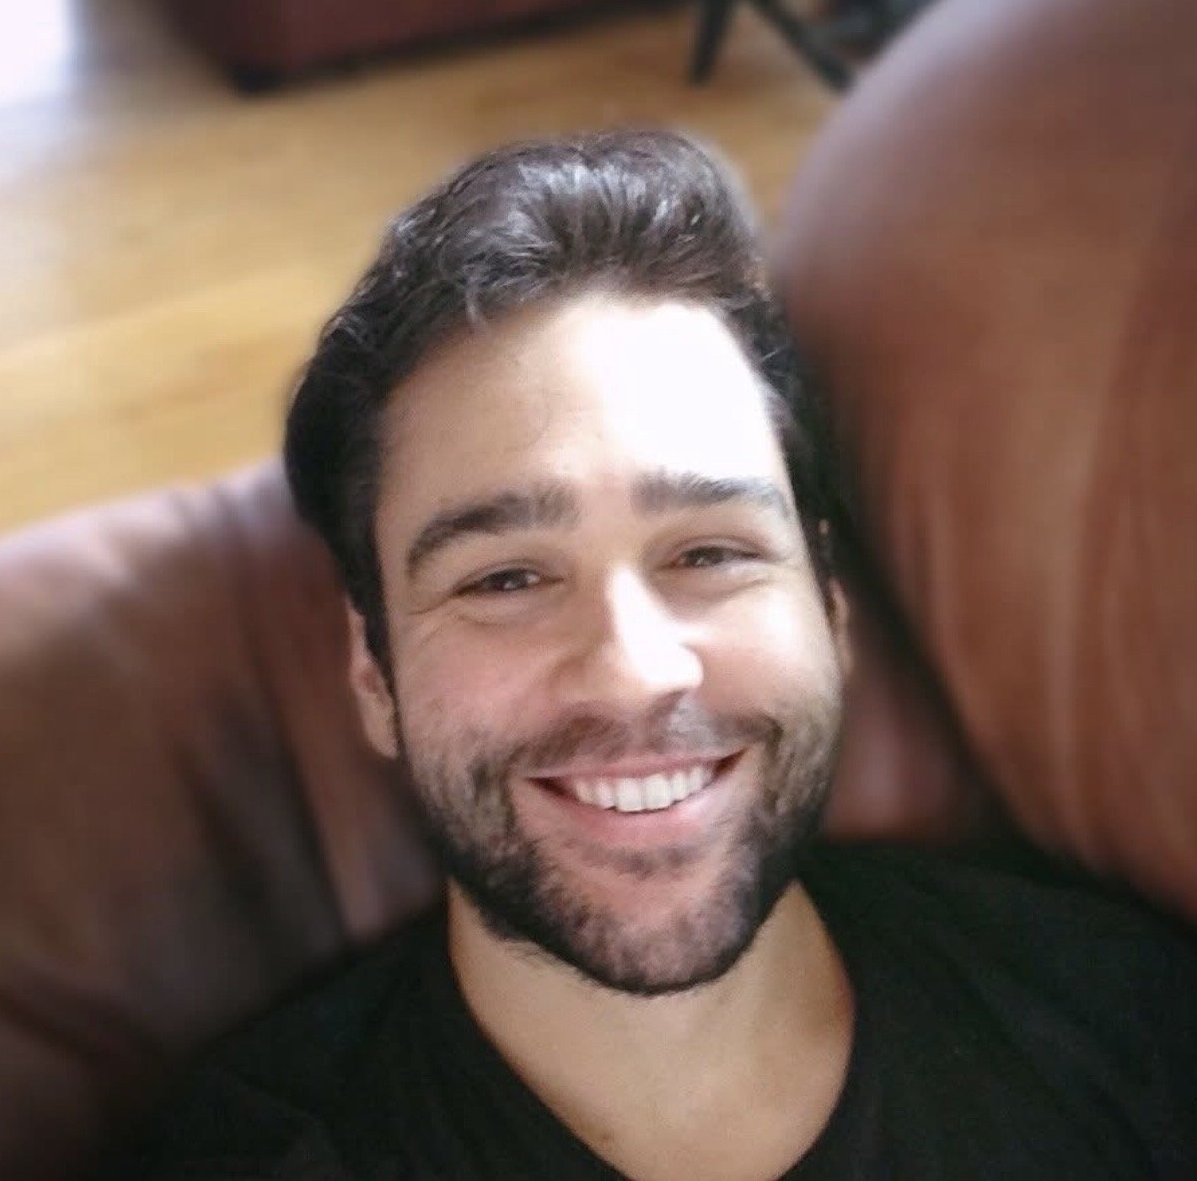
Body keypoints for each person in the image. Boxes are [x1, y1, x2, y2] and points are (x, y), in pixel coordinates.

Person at [104, 131, 1197, 1180]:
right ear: (372, 673)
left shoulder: (1128, 1021)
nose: (634, 670)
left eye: (710, 552)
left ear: (829, 607)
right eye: (505, 578)